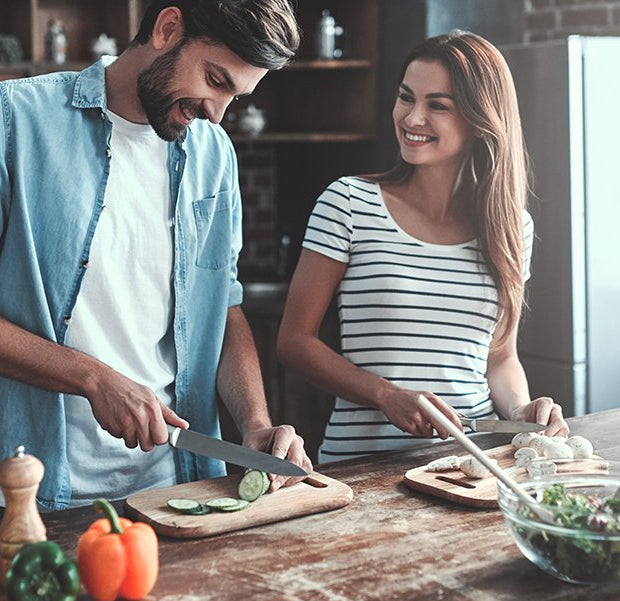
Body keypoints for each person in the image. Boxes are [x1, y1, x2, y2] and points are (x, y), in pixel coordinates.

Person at [0, 0, 312, 510]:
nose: (217, 112)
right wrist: (93, 377)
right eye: (216, 79)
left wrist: (255, 423)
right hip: (33, 495)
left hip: (178, 491)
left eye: (236, 95)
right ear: (168, 28)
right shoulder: (15, 122)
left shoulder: (214, 155)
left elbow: (223, 307)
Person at [277, 31, 569, 464]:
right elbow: (294, 341)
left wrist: (521, 411)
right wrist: (386, 395)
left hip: (472, 464)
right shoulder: (349, 203)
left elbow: (499, 358)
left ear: (478, 119)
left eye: (437, 105)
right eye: (406, 98)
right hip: (362, 466)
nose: (412, 118)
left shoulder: (512, 227)